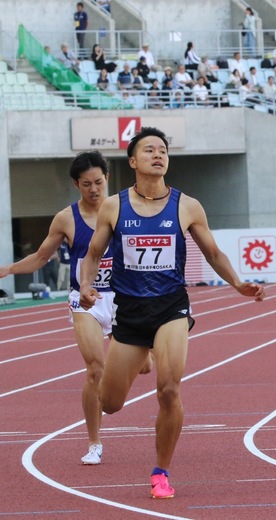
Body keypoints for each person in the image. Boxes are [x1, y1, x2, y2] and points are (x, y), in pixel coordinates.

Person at [78, 128, 265, 498]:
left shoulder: (187, 205)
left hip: (170, 308)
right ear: (133, 161)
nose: (158, 155)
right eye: (149, 150)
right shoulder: (114, 206)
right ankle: (140, 353)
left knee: (169, 389)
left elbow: (213, 253)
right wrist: (86, 283)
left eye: (162, 150)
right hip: (129, 313)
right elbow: (94, 254)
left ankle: (161, 472)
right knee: (111, 403)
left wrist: (238, 283)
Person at [0, 151, 154, 465]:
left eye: (98, 182)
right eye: (86, 184)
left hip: (124, 299)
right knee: (95, 368)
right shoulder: (66, 218)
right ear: (76, 184)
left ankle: (128, 364)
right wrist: (9, 269)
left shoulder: (128, 209)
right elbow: (42, 257)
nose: (94, 189)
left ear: (107, 179)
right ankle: (94, 443)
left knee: (146, 366)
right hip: (85, 300)